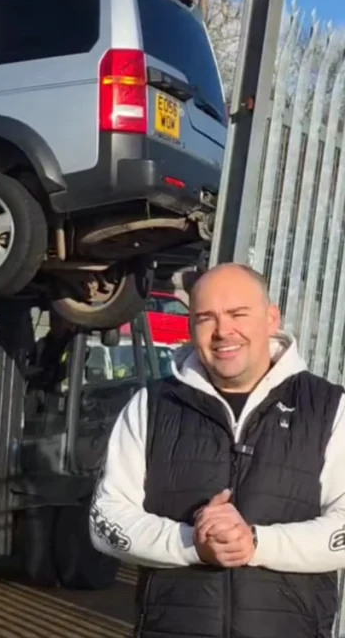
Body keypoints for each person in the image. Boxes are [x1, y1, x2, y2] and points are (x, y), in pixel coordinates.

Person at [89, 263, 345, 637]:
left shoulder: (330, 408)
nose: (223, 331)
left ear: (271, 319)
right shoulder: (150, 406)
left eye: (238, 314)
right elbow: (106, 521)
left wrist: (255, 544)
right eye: (206, 318)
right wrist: (192, 544)